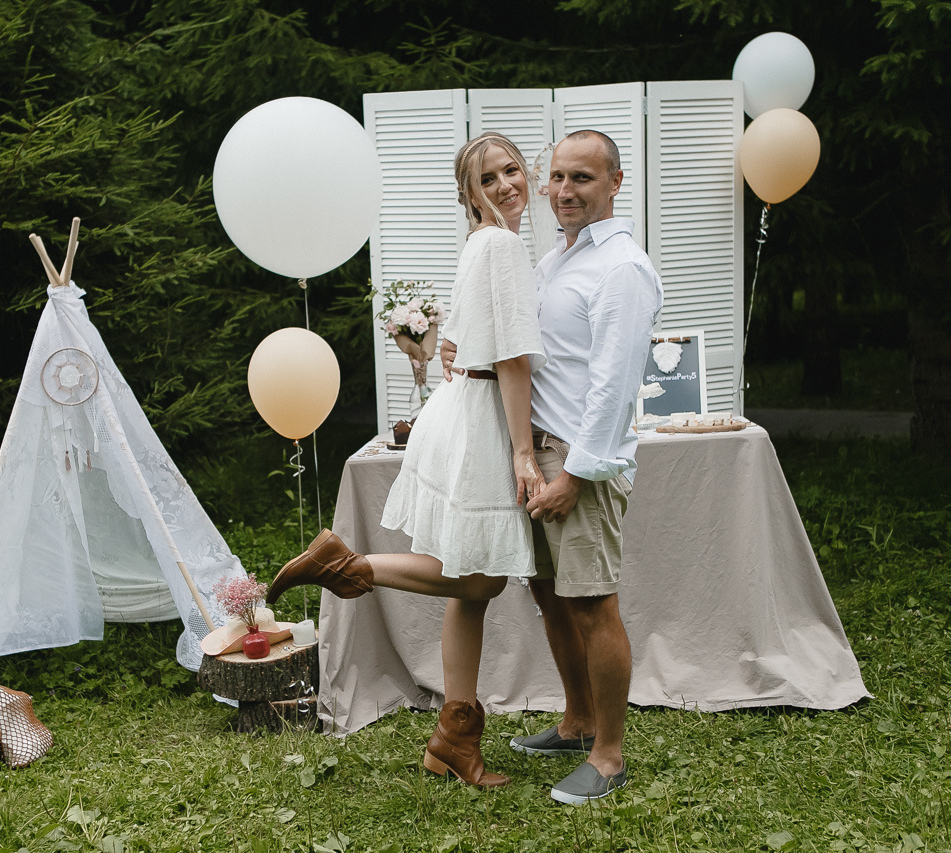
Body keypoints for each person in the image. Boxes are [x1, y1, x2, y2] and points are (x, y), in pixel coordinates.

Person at [268, 132, 546, 789]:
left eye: (512, 170)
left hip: (462, 407)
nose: (507, 184)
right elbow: (511, 358)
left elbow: (457, 340)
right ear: (468, 194)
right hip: (480, 420)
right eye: (488, 178)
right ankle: (348, 563)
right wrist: (524, 450)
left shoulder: (484, 244)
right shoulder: (501, 244)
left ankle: (453, 737)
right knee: (479, 580)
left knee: (472, 588)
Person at [445, 130, 662, 804]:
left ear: (615, 183)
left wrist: (579, 473)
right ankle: (576, 720)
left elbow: (614, 384)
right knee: (549, 594)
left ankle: (609, 753)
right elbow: (527, 350)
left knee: (594, 603)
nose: (565, 192)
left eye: (583, 180)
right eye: (558, 177)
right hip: (538, 453)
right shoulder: (554, 259)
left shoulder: (621, 268)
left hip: (578, 460)